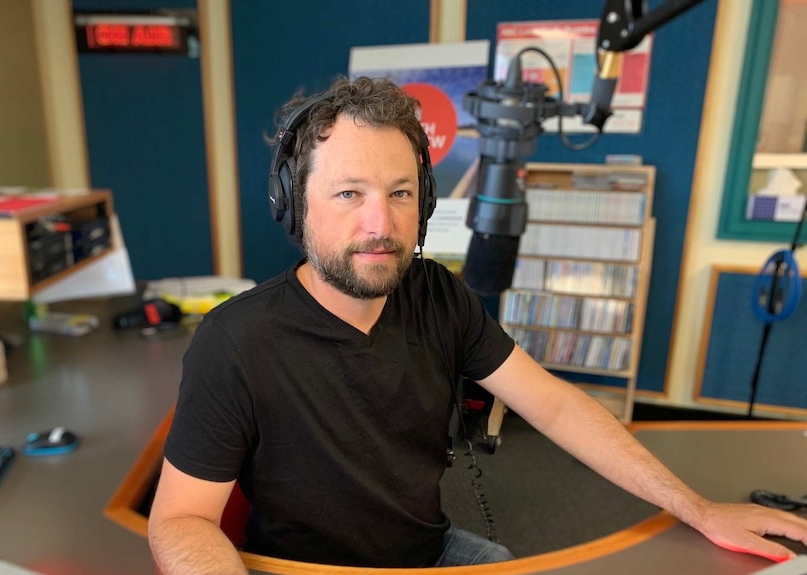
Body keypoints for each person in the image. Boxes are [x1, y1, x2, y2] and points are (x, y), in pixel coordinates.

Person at [147, 76, 807, 574]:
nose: (381, 224)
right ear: (294, 205)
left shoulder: (438, 295)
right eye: (349, 193)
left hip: (430, 554)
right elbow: (180, 519)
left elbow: (555, 405)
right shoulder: (234, 341)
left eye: (400, 193)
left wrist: (697, 505)